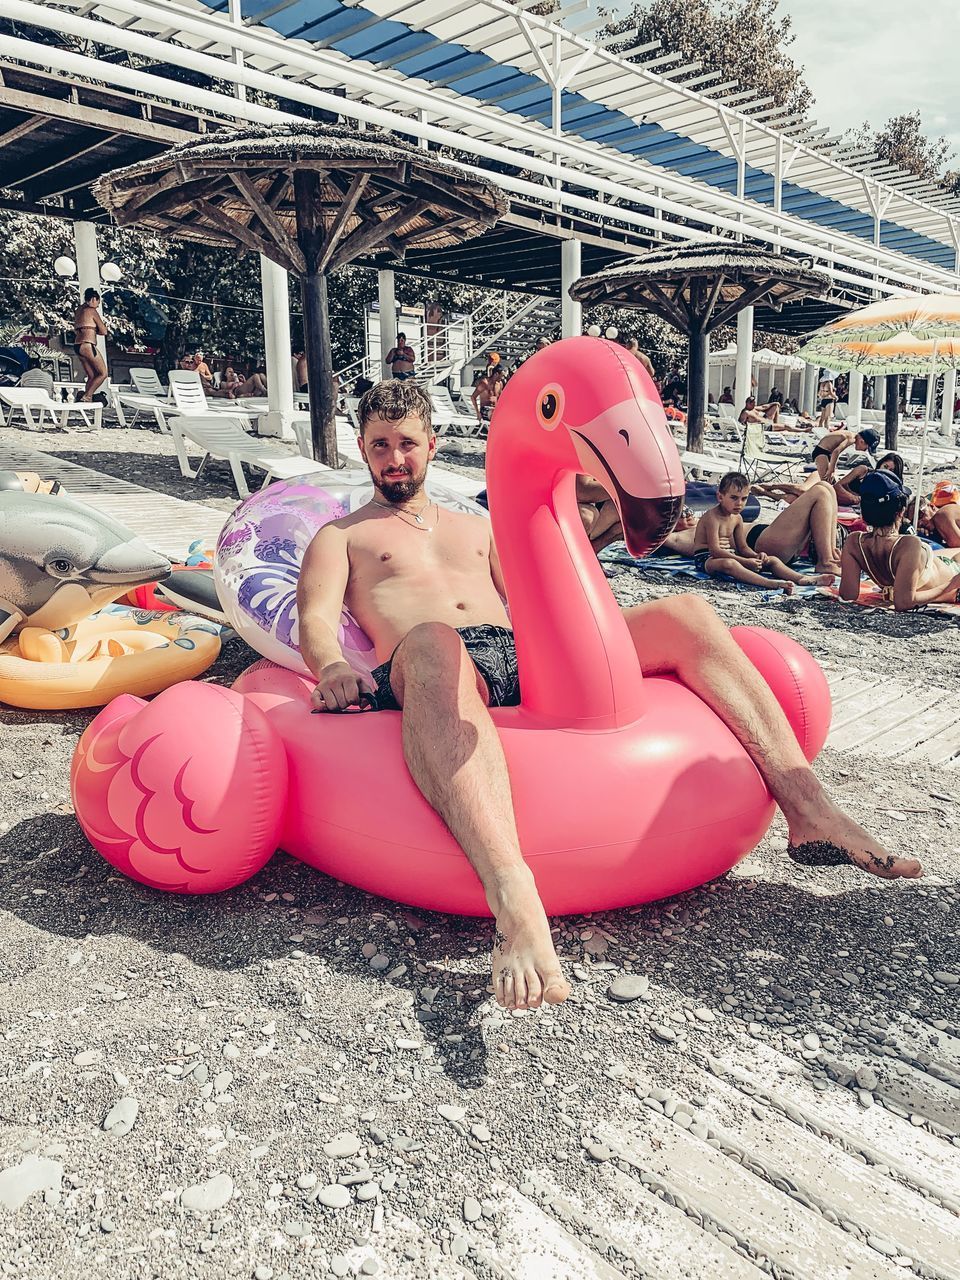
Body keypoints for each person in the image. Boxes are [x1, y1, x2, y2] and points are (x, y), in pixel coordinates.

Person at [298, 383, 920, 1014]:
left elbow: (536, 600)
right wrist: (328, 666)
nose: (395, 458)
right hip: (433, 661)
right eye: (380, 446)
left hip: (517, 649)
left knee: (688, 612)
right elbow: (316, 619)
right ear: (362, 450)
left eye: (407, 443)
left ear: (432, 445)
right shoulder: (342, 536)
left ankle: (811, 809)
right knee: (433, 638)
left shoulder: (478, 527)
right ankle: (515, 903)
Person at [693, 473, 834, 592]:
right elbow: (715, 551)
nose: (739, 504)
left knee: (772, 560)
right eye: (734, 498)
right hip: (706, 559)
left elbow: (742, 547)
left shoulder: (737, 518)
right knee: (730, 564)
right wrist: (746, 561)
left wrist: (756, 556)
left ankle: (801, 578)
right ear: (720, 497)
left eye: (744, 499)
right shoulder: (712, 518)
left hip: (729, 554)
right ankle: (769, 583)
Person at [840, 471, 960, 611]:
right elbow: (904, 602)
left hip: (942, 563)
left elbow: (848, 594)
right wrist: (952, 585)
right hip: (950, 573)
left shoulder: (854, 542)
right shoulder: (908, 545)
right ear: (901, 511)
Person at [72, 287, 108, 402]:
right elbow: (104, 331)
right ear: (93, 299)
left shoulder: (79, 310)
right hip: (87, 345)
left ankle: (86, 398)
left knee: (92, 375)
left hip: (77, 346)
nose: (97, 306)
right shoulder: (91, 311)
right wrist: (94, 330)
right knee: (103, 373)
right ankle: (87, 396)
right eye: (98, 303)